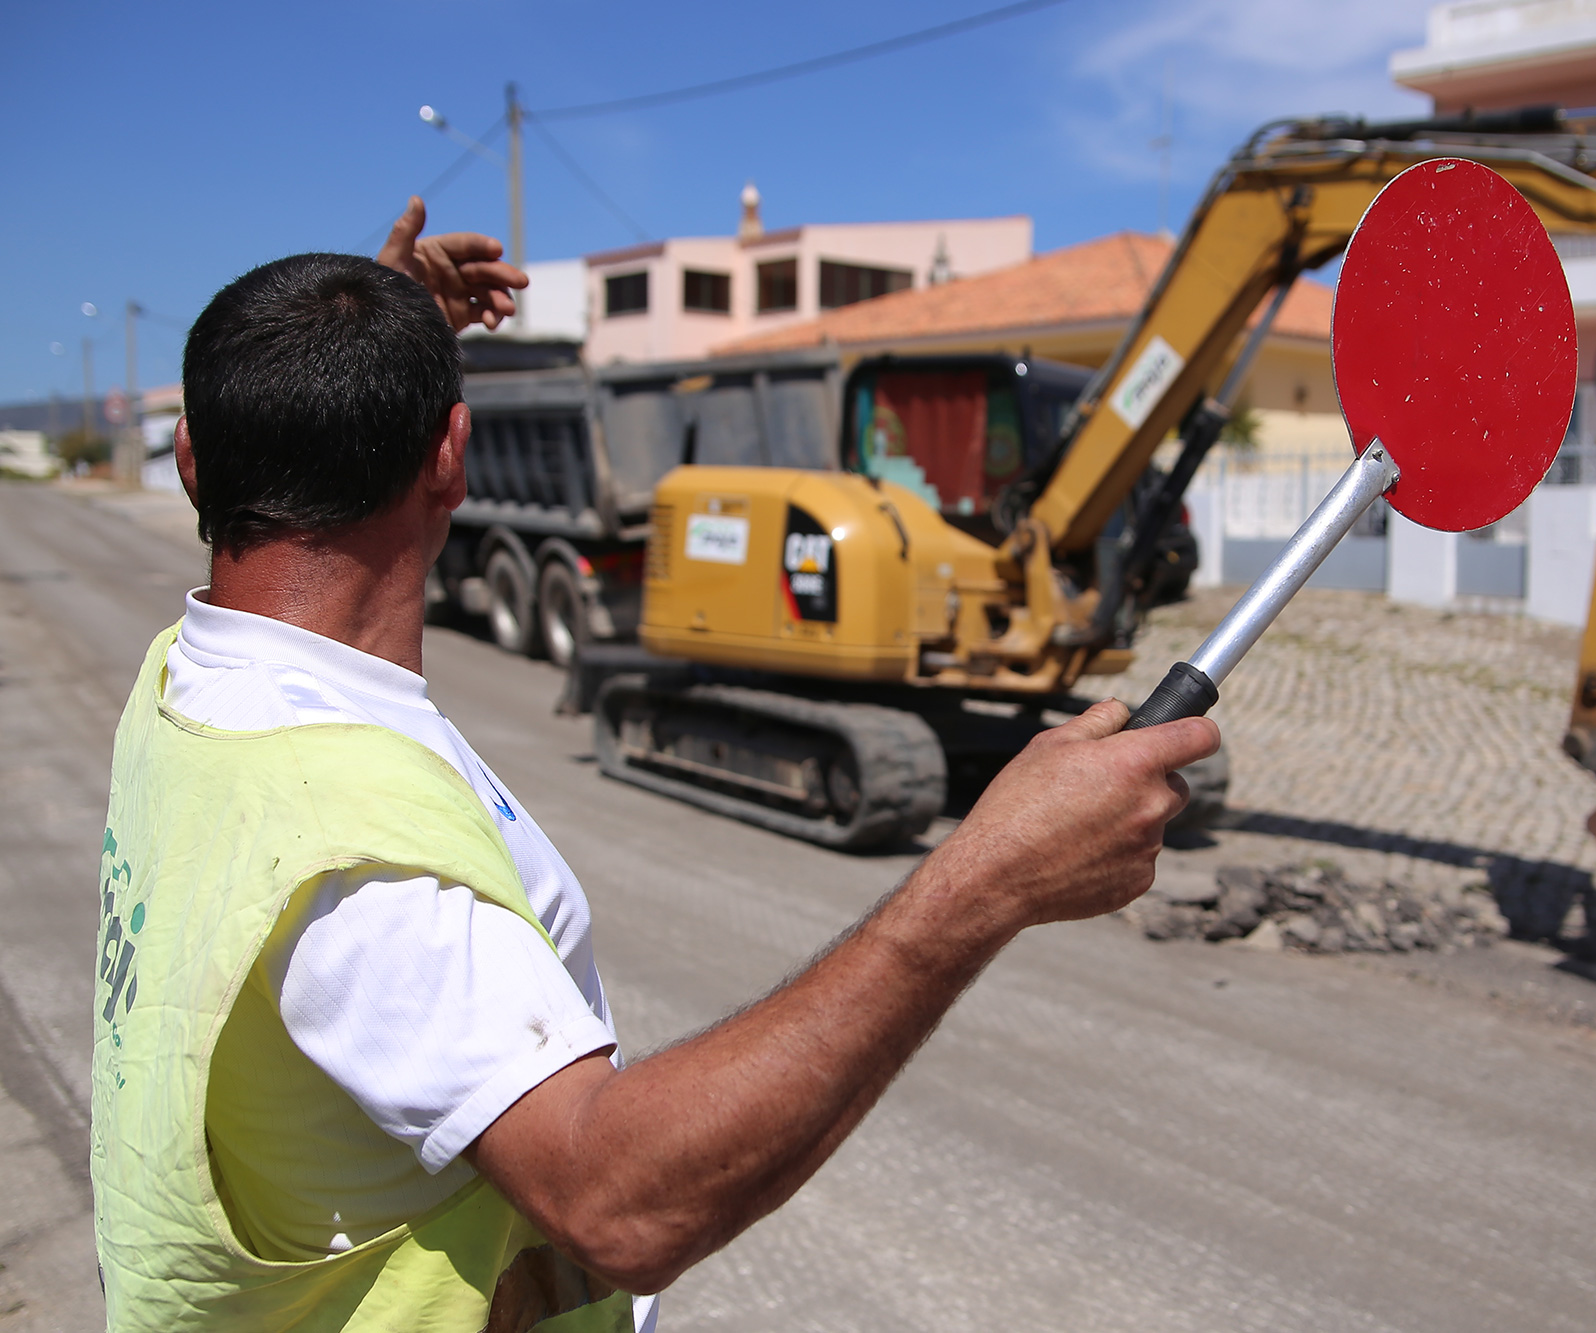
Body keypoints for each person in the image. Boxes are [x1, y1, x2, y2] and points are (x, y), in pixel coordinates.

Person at [90, 200, 1219, 1332]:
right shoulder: (365, 865)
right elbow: (611, 1200)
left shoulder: (181, 688)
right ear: (452, 458)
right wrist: (986, 880)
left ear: (192, 459)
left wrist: (378, 332)